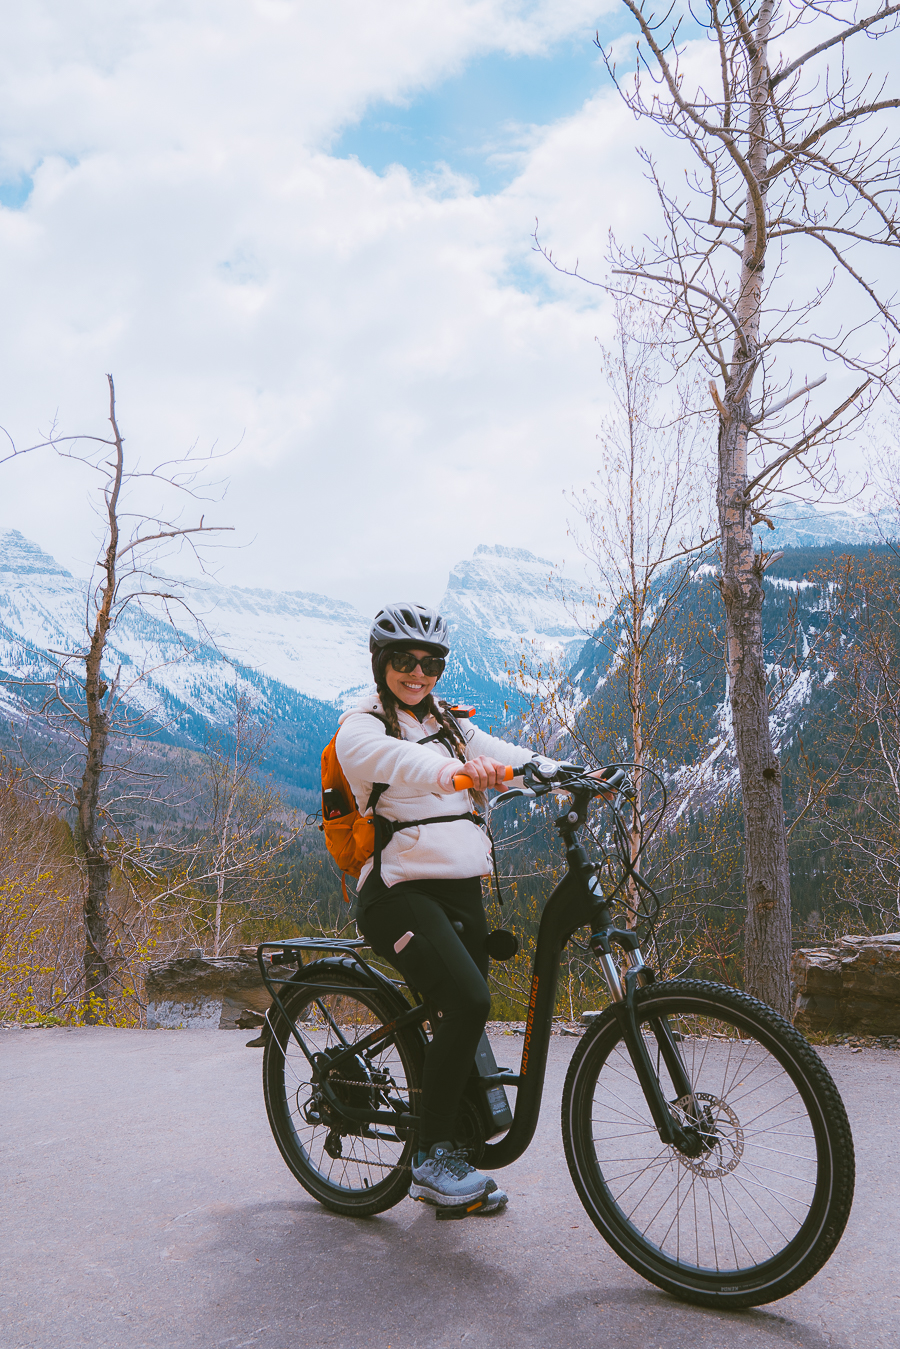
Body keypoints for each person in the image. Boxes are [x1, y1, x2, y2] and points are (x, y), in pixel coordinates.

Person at [335, 601, 556, 1214]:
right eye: (404, 661)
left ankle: (454, 1151)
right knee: (469, 1000)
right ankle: (430, 1158)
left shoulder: (451, 723)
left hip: (460, 890)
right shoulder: (361, 728)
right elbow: (408, 765)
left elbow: (512, 757)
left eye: (431, 662)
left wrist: (579, 775)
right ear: (382, 664)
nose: (418, 673)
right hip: (399, 895)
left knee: (459, 1015)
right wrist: (461, 772)